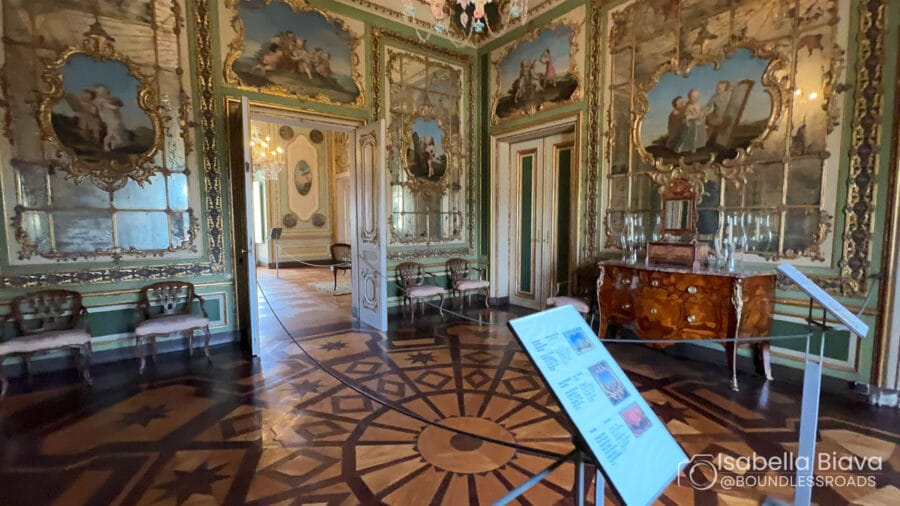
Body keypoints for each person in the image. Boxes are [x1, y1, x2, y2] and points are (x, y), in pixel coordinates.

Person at [93, 85, 126, 152]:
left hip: (114, 118)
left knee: (115, 132)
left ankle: (113, 146)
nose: (105, 93)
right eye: (103, 92)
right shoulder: (101, 101)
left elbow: (118, 105)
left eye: (105, 91)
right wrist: (116, 107)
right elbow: (111, 107)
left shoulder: (108, 99)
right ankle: (105, 146)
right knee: (111, 133)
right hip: (109, 119)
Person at [675, 88, 707, 153]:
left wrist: (696, 116)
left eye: (696, 97)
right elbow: (686, 114)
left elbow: (700, 115)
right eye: (692, 97)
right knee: (688, 135)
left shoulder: (698, 105)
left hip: (697, 123)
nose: (694, 98)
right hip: (690, 123)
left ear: (698, 97)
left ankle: (695, 147)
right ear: (689, 97)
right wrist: (687, 115)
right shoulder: (688, 105)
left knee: (697, 134)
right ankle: (687, 147)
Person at [705, 80, 732, 146]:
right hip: (715, 116)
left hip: (725, 117)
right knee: (709, 122)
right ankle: (710, 140)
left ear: (725, 88)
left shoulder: (729, 95)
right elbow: (708, 107)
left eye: (720, 88)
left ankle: (715, 140)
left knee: (721, 125)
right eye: (717, 87)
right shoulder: (714, 97)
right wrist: (703, 111)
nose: (717, 89)